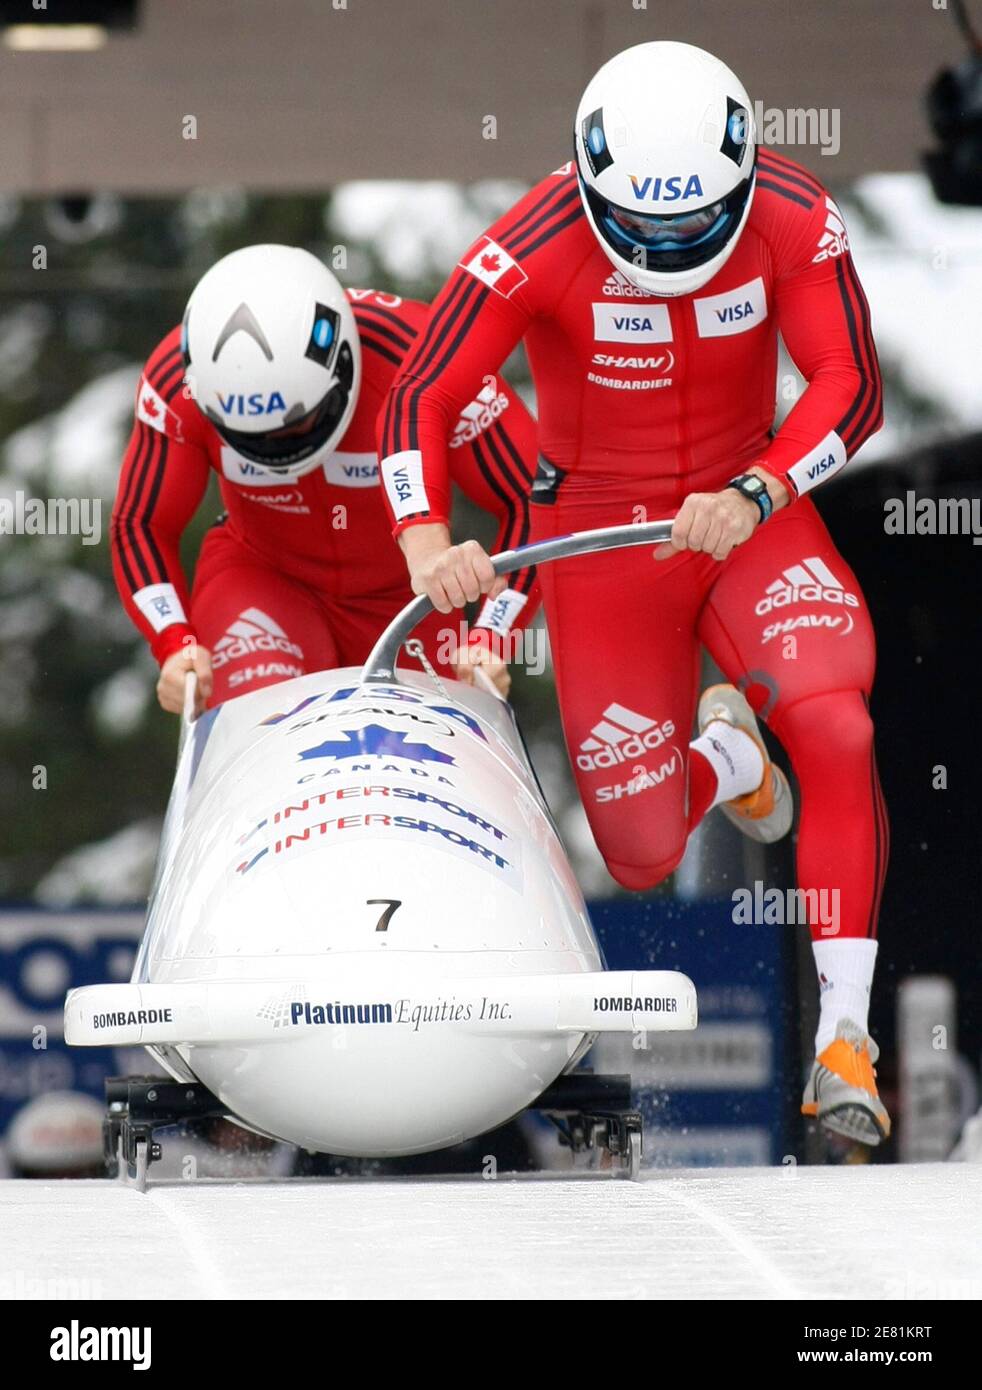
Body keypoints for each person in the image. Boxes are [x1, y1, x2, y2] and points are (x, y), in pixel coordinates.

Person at [378, 42, 889, 1145]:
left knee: (838, 725)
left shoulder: (797, 218)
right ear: (592, 185)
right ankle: (730, 761)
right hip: (604, 528)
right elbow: (424, 383)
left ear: (743, 179)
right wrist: (425, 536)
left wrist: (758, 489)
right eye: (644, 229)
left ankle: (844, 1035)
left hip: (744, 503)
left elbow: (851, 385)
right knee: (644, 850)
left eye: (696, 226)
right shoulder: (531, 243)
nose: (668, 248)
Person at [111, 244, 537, 714]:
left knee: (410, 769)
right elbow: (141, 524)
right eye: (251, 434)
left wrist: (492, 634)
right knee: (267, 726)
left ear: (341, 361)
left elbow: (532, 497)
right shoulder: (177, 384)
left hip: (412, 603)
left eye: (296, 423)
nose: (278, 445)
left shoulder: (421, 354)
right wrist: (176, 643)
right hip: (263, 581)